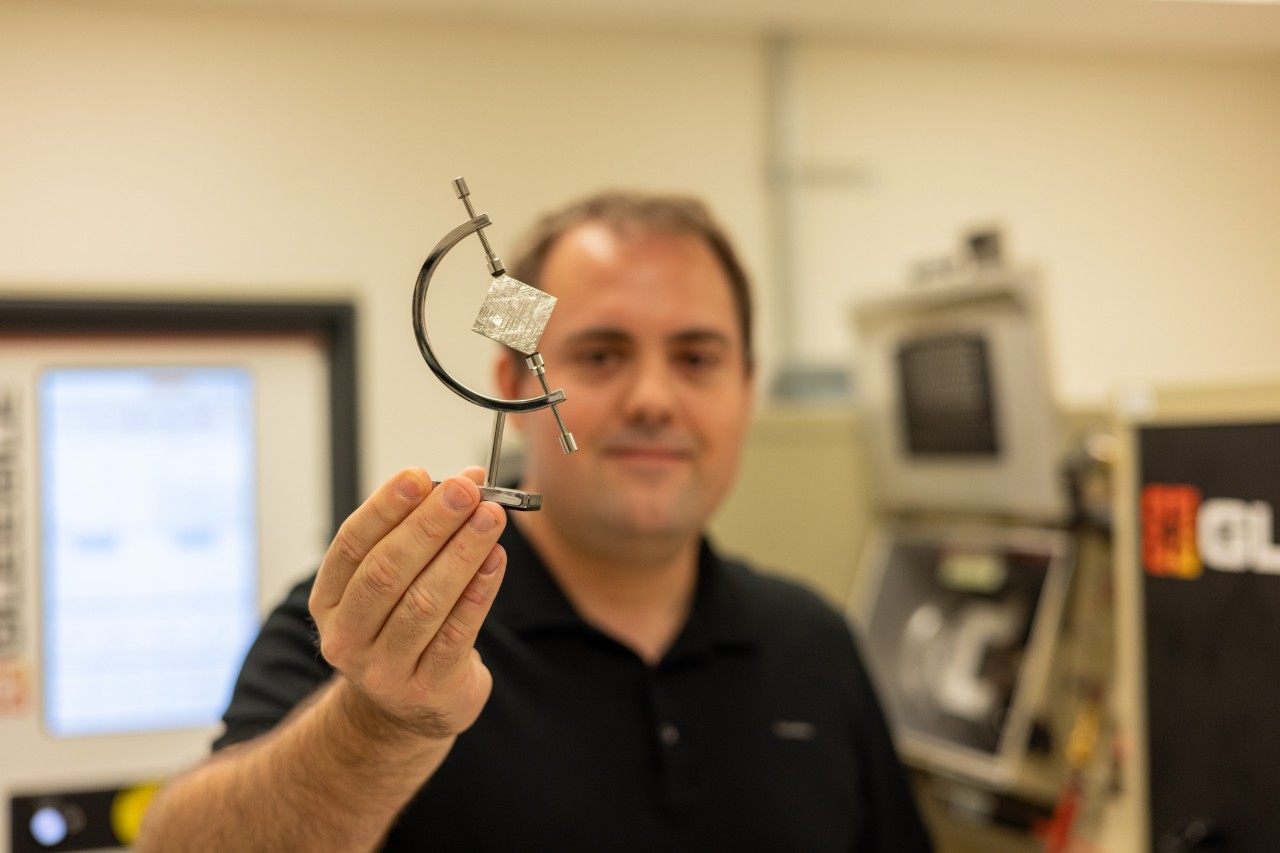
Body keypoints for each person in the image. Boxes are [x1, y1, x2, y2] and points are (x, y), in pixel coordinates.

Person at [137, 190, 934, 852]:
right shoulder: (381, 627)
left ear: (746, 387)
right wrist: (377, 725)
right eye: (600, 355)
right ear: (508, 384)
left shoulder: (816, 641)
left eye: (696, 358)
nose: (653, 398)